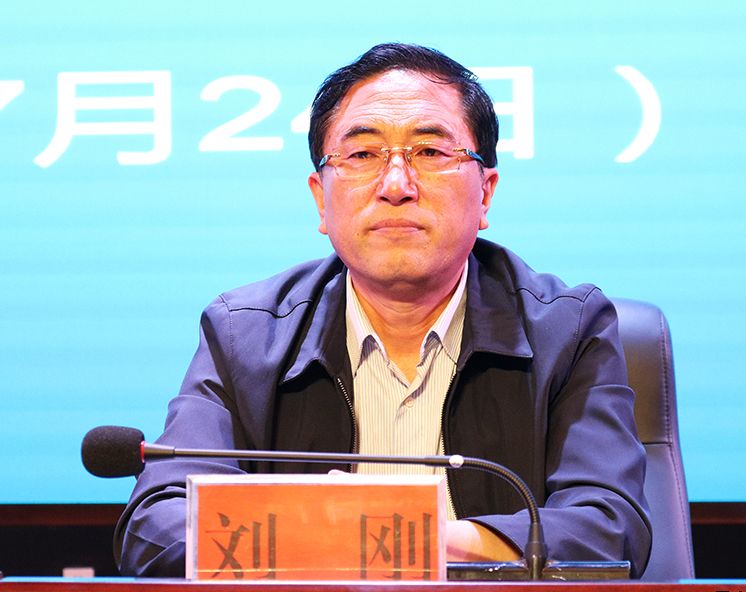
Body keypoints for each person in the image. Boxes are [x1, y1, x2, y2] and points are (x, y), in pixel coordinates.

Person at [114, 43, 651, 577]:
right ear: (321, 199)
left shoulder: (566, 331)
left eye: (430, 153)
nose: (396, 186)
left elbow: (610, 525)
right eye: (363, 155)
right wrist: (326, 535)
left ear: (485, 193)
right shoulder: (244, 335)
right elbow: (157, 526)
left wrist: (420, 540)